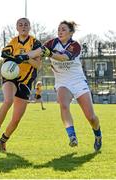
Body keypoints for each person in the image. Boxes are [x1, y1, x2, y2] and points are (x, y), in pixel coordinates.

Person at [16, 20, 102, 151]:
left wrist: (49, 54)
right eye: (59, 29)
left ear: (71, 32)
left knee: (91, 117)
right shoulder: (51, 43)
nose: (60, 31)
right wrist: (21, 57)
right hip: (62, 82)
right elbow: (37, 52)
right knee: (63, 104)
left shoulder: (75, 45)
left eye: (63, 29)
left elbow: (63, 58)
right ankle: (72, 136)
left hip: (78, 81)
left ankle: (98, 135)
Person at [0, 18, 42, 152]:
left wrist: (26, 57)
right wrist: (12, 60)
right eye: (20, 25)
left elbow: (38, 65)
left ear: (30, 27)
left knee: (16, 119)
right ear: (17, 28)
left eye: (26, 25)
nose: (23, 27)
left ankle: (3, 140)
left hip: (26, 81)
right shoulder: (13, 42)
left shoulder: (35, 43)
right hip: (11, 78)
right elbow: (5, 57)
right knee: (8, 100)